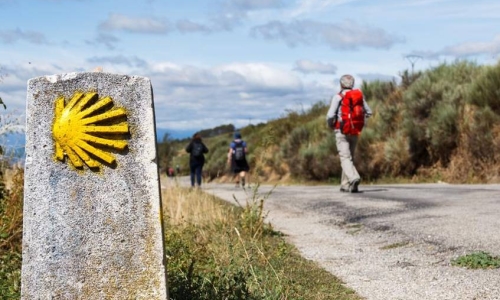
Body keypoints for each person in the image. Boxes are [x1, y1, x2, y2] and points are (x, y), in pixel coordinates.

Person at [326, 74, 372, 193]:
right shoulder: (359, 97)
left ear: (341, 84)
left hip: (341, 131)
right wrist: (359, 122)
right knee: (349, 158)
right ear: (352, 84)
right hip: (355, 131)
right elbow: (369, 112)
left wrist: (331, 124)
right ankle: (345, 185)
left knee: (345, 157)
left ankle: (353, 178)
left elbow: (330, 115)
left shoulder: (338, 97)